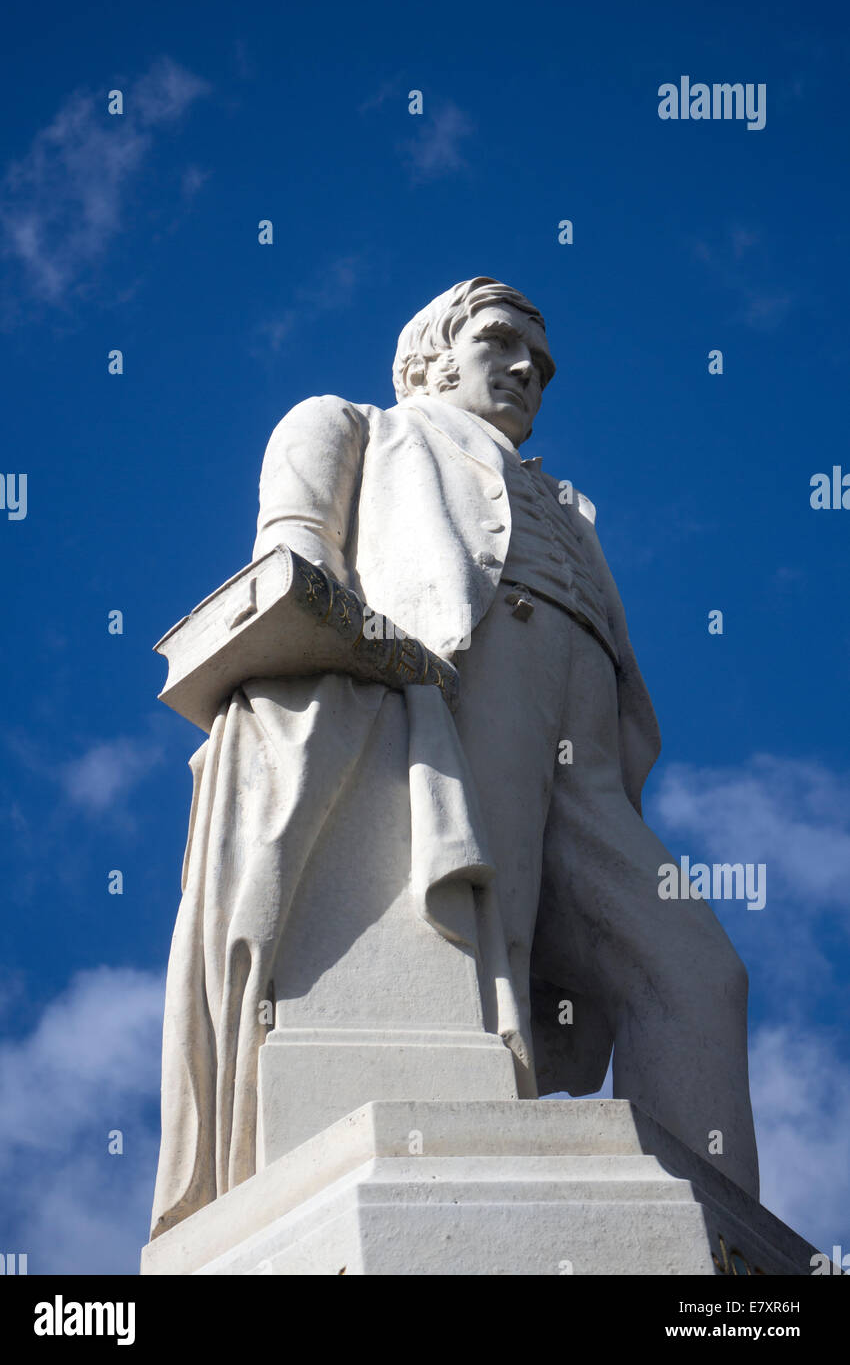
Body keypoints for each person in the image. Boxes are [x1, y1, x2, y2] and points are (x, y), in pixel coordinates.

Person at [150, 277, 758, 1239]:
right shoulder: (349, 424)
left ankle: (718, 1247)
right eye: (500, 341)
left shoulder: (566, 503)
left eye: (543, 364)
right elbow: (292, 565)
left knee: (698, 972)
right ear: (431, 355)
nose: (528, 370)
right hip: (440, 693)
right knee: (483, 943)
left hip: (592, 762)